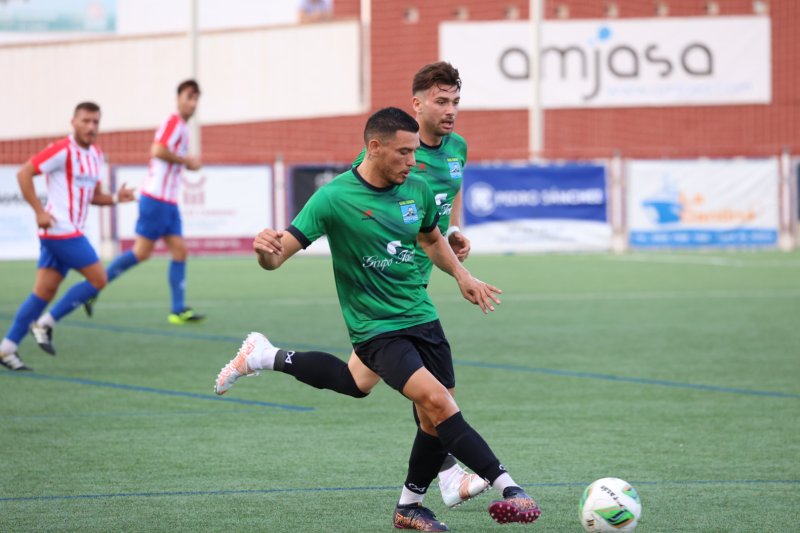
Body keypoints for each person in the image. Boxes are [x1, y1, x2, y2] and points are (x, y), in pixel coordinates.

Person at [214, 107, 541, 530]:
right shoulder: (333, 198)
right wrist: (264, 249)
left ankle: (409, 507)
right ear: (375, 148)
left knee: (420, 413)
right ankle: (511, 488)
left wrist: (462, 275)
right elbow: (276, 258)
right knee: (440, 403)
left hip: (421, 316)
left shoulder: (417, 189)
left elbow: (430, 238)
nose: (412, 161)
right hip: (375, 329)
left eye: (414, 153)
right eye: (404, 153)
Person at [0, 102, 135, 370]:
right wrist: (38, 210)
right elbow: (24, 172)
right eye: (85, 121)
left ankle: (7, 349)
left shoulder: (96, 154)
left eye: (95, 122)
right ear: (73, 122)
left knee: (44, 291)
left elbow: (94, 196)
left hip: (69, 231)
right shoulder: (62, 150)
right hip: (59, 230)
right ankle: (45, 324)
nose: (91, 127)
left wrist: (118, 197)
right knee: (99, 278)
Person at [79, 79, 205, 327]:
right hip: (156, 198)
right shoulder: (173, 122)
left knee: (179, 251)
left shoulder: (184, 128)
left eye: (196, 98)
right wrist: (186, 161)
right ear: (178, 98)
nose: (192, 103)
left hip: (168, 201)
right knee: (141, 252)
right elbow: (157, 150)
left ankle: (178, 310)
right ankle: (92, 288)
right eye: (189, 97)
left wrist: (185, 162)